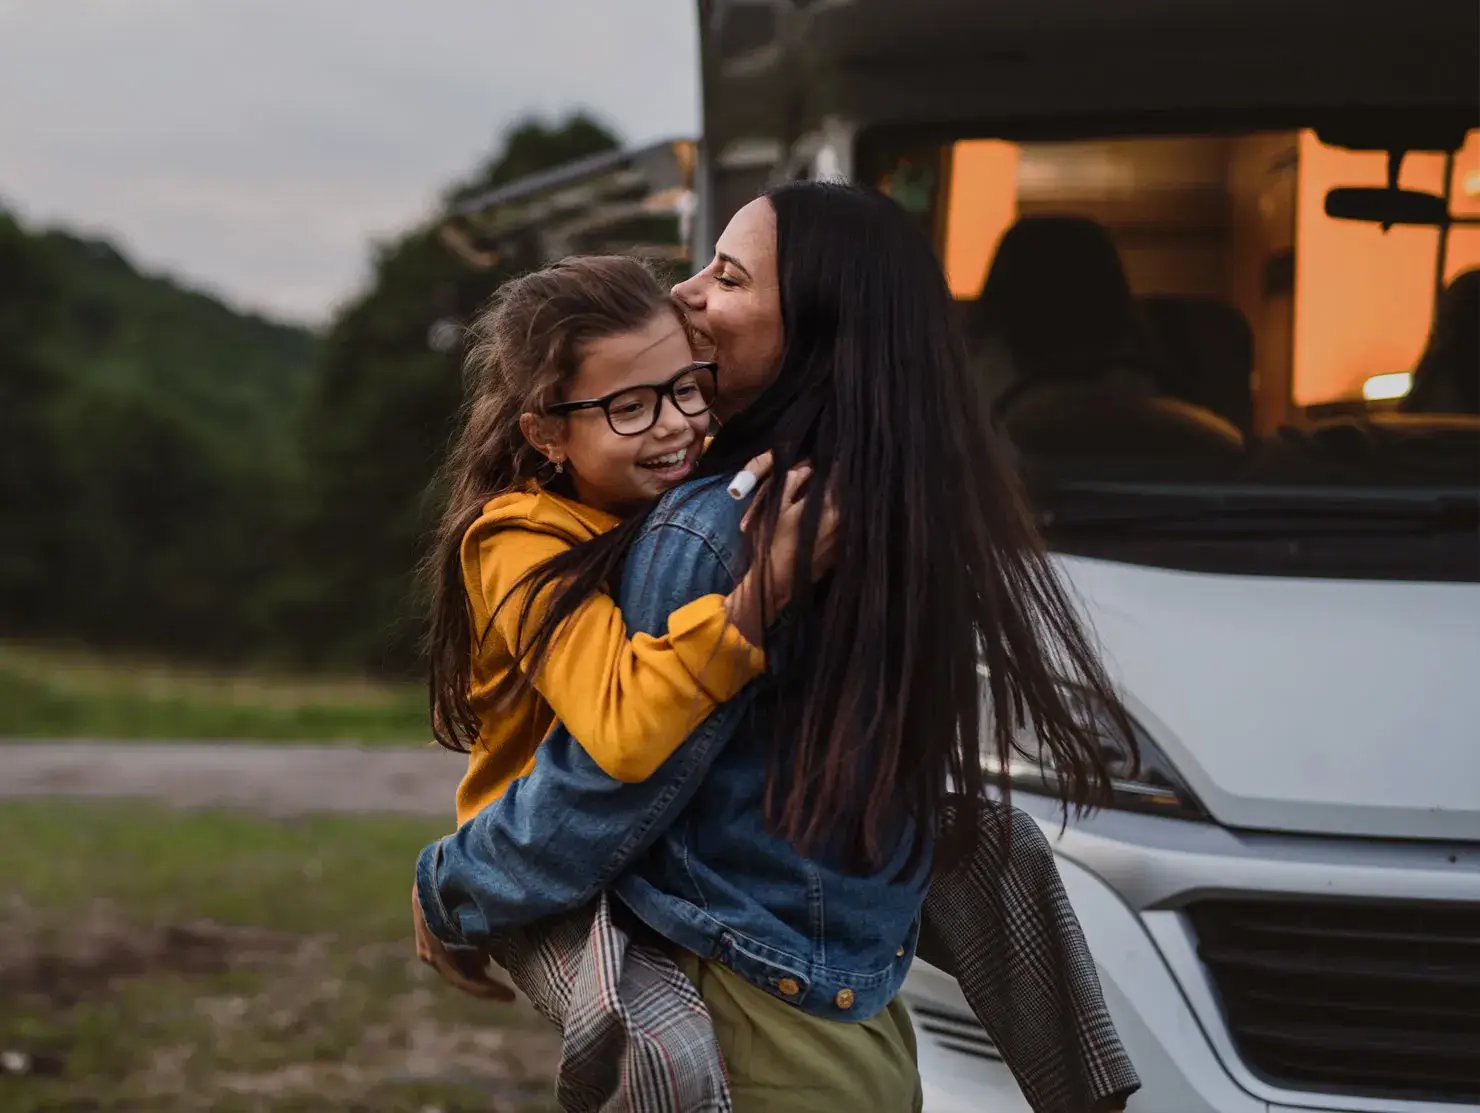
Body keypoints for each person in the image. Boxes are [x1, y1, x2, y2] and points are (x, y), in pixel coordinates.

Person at [415, 182, 1139, 1111]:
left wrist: (451, 884)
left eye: (728, 276)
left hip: (759, 1022)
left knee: (661, 1044)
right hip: (852, 1022)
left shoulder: (719, 530)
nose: (684, 292)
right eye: (632, 404)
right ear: (546, 434)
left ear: (814, 329)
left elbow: (612, 781)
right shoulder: (885, 505)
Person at [420, 253, 835, 990]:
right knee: (660, 1043)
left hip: (652, 836)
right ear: (546, 433)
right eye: (630, 408)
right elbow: (619, 725)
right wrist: (753, 602)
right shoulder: (518, 540)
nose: (677, 425)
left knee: (999, 845)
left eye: (684, 389)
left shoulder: (688, 480)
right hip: (543, 860)